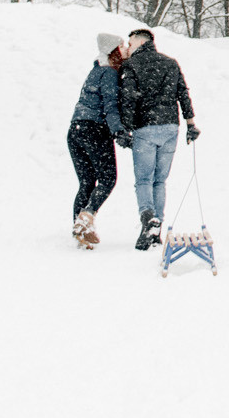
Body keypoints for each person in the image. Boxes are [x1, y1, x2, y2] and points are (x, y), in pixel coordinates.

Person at [117, 27, 201, 251]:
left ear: (139, 42)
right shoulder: (170, 63)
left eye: (130, 42)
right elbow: (183, 93)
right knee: (159, 181)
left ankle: (148, 219)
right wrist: (191, 124)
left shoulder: (131, 65)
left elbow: (128, 98)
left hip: (145, 127)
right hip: (170, 127)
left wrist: (125, 129)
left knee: (144, 179)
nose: (129, 46)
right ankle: (157, 230)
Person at [68, 34, 130, 248]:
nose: (125, 49)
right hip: (94, 129)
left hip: (75, 130)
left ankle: (80, 230)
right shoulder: (109, 73)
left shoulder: (94, 71)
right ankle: (86, 217)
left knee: (86, 181)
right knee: (108, 178)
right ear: (113, 50)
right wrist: (118, 131)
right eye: (122, 46)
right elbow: (110, 104)